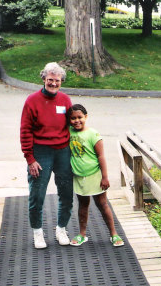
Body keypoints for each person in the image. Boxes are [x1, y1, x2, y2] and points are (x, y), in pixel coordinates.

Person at [20, 62, 73, 249]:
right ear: (43, 79)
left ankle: (61, 228)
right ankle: (37, 232)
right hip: (40, 151)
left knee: (66, 192)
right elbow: (25, 130)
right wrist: (30, 158)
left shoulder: (65, 100)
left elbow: (73, 125)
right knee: (37, 193)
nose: (53, 84)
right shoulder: (32, 101)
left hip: (62, 150)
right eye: (50, 80)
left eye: (57, 81)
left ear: (61, 81)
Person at [67, 104, 124, 247]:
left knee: (102, 204)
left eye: (80, 117)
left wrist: (105, 177)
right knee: (83, 205)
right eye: (73, 118)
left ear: (86, 117)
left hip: (95, 175)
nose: (76, 121)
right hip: (79, 176)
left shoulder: (93, 134)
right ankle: (82, 234)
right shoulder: (69, 132)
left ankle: (114, 234)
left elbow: (101, 157)